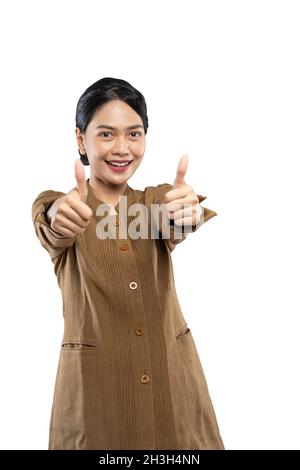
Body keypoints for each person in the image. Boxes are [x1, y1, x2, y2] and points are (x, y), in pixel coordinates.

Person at [31, 77, 224, 450]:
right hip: (97, 395)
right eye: (106, 134)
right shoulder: (64, 205)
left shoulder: (153, 203)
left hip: (173, 386)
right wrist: (58, 214)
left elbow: (180, 214)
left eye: (134, 134)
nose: (122, 148)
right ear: (80, 138)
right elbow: (51, 220)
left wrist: (188, 209)